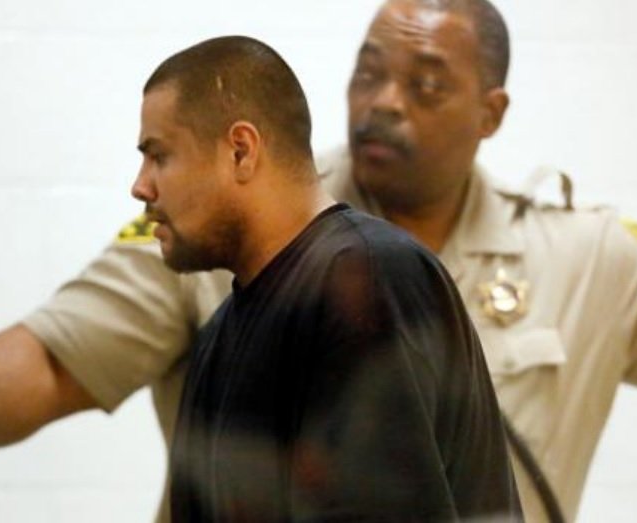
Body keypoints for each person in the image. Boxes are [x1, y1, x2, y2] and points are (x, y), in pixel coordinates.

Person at [0, 0, 637, 521]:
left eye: (425, 83)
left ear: (490, 112)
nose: (383, 101)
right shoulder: (233, 252)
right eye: (368, 73)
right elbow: (57, 352)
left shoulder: (584, 252)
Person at [129, 35, 521, 521]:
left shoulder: (369, 278)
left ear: (240, 151)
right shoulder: (217, 337)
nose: (140, 186)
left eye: (159, 156)